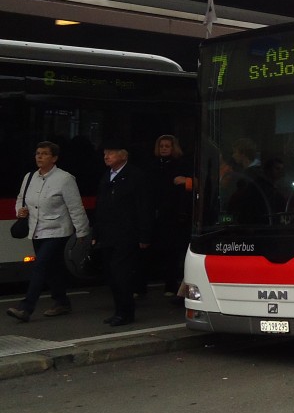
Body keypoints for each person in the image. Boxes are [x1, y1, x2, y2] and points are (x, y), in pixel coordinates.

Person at [5, 142, 90, 323]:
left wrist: (82, 232)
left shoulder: (65, 179)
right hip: (36, 229)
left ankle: (26, 308)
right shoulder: (30, 177)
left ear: (54, 158)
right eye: (37, 153)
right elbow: (21, 198)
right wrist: (20, 210)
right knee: (52, 269)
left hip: (58, 230)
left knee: (40, 266)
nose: (39, 157)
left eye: (44, 154)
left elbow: (75, 207)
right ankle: (62, 302)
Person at [92, 142, 153, 326]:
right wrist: (96, 232)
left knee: (121, 273)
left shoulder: (135, 176)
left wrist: (145, 235)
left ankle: (126, 312)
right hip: (108, 233)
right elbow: (100, 206)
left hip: (127, 233)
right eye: (105, 153)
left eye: (111, 152)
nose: (106, 156)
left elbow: (144, 207)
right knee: (111, 274)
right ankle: (119, 309)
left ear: (123, 155)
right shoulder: (107, 176)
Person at [151, 135, 192, 300]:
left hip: (175, 212)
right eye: (161, 146)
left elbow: (195, 183)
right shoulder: (154, 165)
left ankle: (171, 283)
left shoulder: (181, 164)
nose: (164, 148)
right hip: (159, 211)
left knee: (173, 250)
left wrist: (186, 181)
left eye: (167, 146)